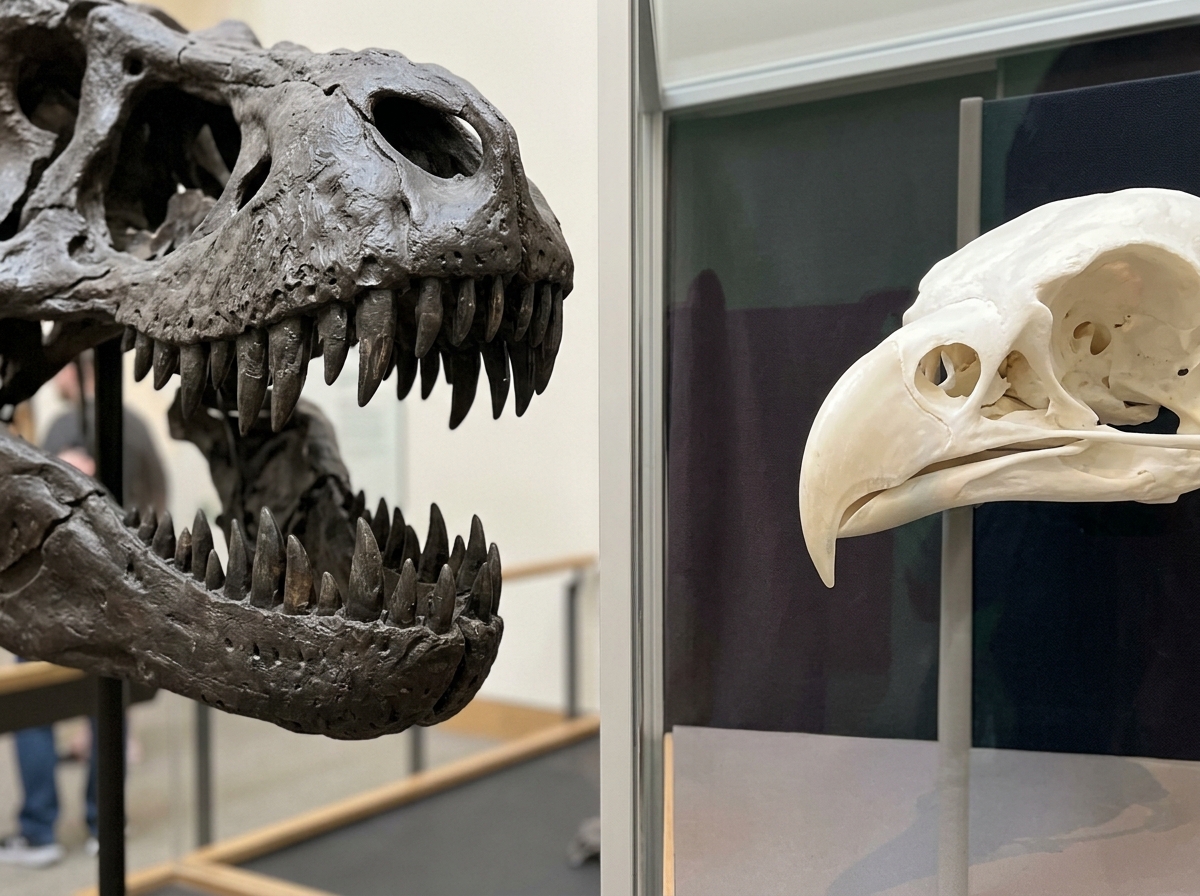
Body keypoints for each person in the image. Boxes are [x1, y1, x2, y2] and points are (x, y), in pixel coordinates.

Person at [0, 354, 166, 867]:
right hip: (121, 591)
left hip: (61, 594)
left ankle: (38, 828)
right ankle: (104, 820)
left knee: (34, 708)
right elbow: (158, 496)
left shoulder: (63, 425)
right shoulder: (136, 422)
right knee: (105, 703)